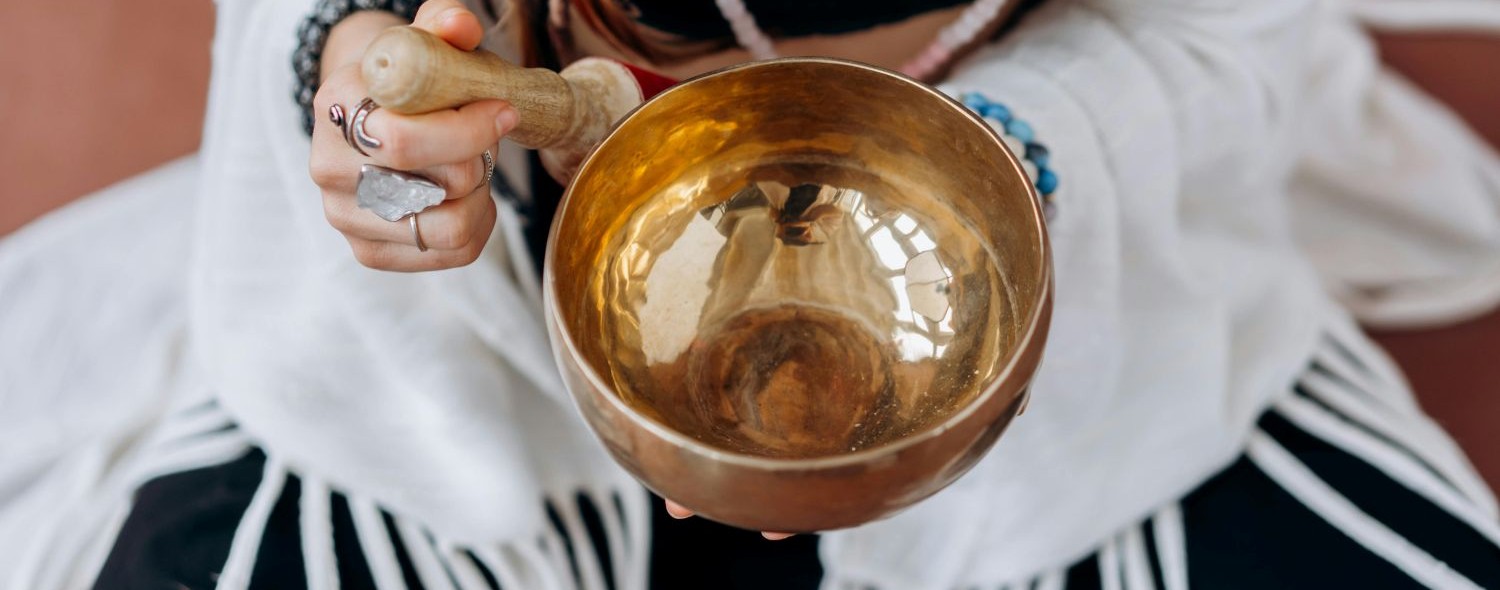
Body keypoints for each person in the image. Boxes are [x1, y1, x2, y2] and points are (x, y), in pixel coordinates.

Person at [2, 0, 1499, 588]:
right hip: (483, 402)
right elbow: (343, 64)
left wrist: (1007, 154)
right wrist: (344, 92)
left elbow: (1229, 35)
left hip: (1087, 330)